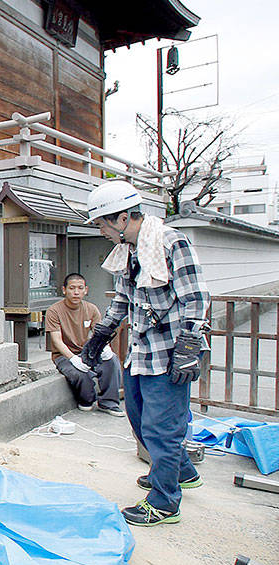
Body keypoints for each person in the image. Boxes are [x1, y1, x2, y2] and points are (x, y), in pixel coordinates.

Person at [77, 181, 209, 527]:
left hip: (170, 354)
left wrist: (189, 346)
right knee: (138, 419)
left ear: (122, 218)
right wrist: (99, 338)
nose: (101, 231)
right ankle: (180, 471)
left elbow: (195, 297)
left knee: (161, 428)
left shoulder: (170, 242)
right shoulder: (129, 252)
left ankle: (164, 503)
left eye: (102, 224)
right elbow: (121, 302)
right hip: (141, 352)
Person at [44, 273, 124, 415]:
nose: (76, 292)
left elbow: (98, 334)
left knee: (112, 361)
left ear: (85, 290)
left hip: (86, 351)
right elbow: (57, 340)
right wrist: (73, 359)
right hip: (64, 356)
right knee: (81, 374)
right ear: (64, 290)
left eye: (80, 288)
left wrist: (105, 348)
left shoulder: (91, 309)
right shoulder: (54, 311)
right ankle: (87, 399)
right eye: (72, 288)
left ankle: (108, 402)